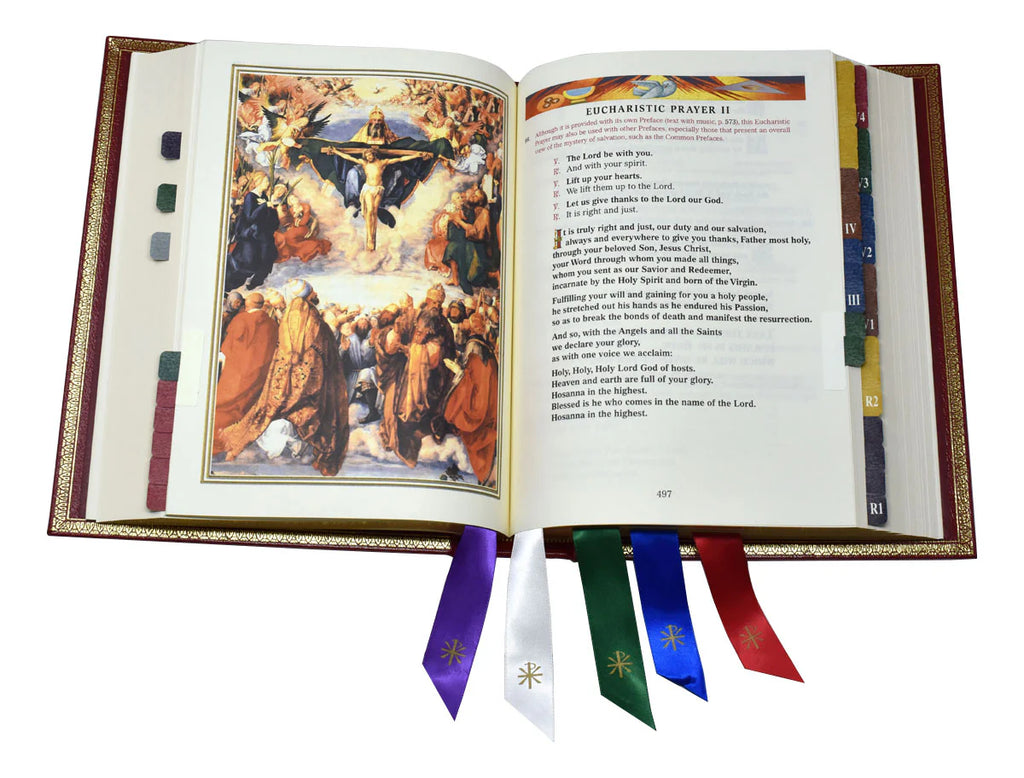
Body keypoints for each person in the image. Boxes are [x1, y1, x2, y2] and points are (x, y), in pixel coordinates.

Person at [219, 279, 349, 476]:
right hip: (307, 376)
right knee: (307, 409)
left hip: (290, 376)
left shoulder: (291, 318)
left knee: (279, 406)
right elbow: (322, 347)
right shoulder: (309, 318)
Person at [324, 146, 432, 251]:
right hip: (368, 189)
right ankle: (369, 237)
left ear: (374, 154)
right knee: (370, 211)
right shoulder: (365, 163)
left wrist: (416, 155)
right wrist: (336, 152)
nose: (368, 157)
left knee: (374, 212)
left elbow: (400, 159)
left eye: (370, 155)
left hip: (379, 189)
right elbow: (349, 157)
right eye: (367, 156)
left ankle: (373, 238)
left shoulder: (382, 163)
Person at [212, 292, 279, 452]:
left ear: (247, 304)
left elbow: (228, 347)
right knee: (248, 406)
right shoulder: (272, 324)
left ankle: (219, 441)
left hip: (237, 372)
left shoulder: (241, 319)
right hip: (260, 374)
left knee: (226, 405)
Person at [442, 312, 499, 485]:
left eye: (468, 320)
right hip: (490, 398)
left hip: (481, 403)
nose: (464, 322)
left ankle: (487, 473)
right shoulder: (484, 345)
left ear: (472, 327)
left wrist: (457, 370)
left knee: (459, 415)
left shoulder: (473, 345)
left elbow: (473, 379)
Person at [224, 172, 280, 292]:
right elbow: (250, 217)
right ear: (258, 182)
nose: (268, 183)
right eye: (265, 181)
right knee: (248, 262)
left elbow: (267, 217)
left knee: (268, 256)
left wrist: (271, 210)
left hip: (263, 233)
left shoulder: (264, 196)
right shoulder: (250, 196)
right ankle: (229, 284)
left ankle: (256, 281)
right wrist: (264, 206)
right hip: (252, 234)